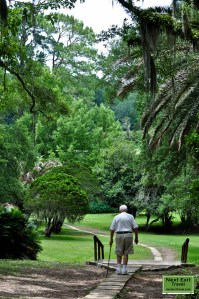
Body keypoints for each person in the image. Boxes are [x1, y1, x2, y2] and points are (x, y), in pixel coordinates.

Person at [109, 204, 139, 275]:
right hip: (128, 235)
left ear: (119, 210)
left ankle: (119, 269)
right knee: (126, 252)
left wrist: (111, 239)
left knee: (119, 252)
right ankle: (124, 270)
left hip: (119, 235)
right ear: (127, 210)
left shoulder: (116, 217)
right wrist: (136, 237)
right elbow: (135, 228)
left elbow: (112, 229)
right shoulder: (131, 216)